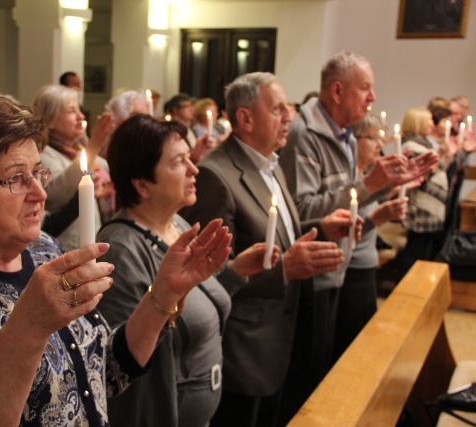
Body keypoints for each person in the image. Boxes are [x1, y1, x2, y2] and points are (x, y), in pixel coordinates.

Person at [0, 91, 233, 426]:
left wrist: (164, 295)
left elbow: (105, 372)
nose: (40, 192)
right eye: (16, 178)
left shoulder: (43, 249)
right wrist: (28, 328)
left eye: (38, 172)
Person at [181, 72, 353, 427]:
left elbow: (274, 237)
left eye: (287, 108)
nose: (289, 116)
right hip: (246, 349)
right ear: (245, 119)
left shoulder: (270, 163)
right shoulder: (217, 175)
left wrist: (319, 228)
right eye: (277, 109)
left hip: (283, 335)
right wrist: (286, 269)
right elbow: (207, 276)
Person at [97, 114, 280, 427]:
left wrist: (234, 272)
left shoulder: (177, 225)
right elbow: (122, 361)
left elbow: (191, 303)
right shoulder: (121, 250)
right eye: (179, 161)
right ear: (141, 183)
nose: (195, 168)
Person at [278, 52, 438, 406]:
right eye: (365, 88)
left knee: (329, 370)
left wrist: (386, 182)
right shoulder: (304, 134)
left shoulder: (346, 136)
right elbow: (301, 212)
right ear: (337, 91)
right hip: (312, 275)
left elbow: (348, 202)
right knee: (306, 379)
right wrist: (371, 183)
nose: (373, 97)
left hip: (339, 267)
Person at [333, 114, 410, 361]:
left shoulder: (365, 175)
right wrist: (379, 217)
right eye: (372, 138)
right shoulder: (351, 181)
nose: (379, 144)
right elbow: (345, 231)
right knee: (350, 349)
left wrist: (388, 198)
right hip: (352, 270)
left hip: (365, 264)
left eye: (380, 138)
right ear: (354, 141)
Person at [33, 84, 115, 250]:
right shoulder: (43, 153)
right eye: (71, 111)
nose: (80, 116)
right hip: (66, 246)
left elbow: (104, 168)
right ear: (50, 120)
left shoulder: (76, 148)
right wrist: (94, 145)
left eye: (79, 110)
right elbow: (55, 193)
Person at [385, 107, 448, 282]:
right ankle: (406, 283)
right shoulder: (411, 145)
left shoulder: (425, 143)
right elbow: (425, 171)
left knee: (423, 248)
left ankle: (416, 282)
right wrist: (441, 154)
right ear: (417, 122)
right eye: (428, 121)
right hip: (421, 203)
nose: (432, 124)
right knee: (415, 248)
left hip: (431, 203)